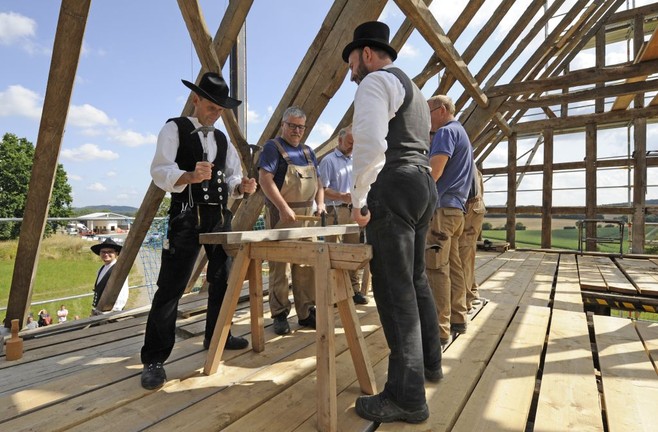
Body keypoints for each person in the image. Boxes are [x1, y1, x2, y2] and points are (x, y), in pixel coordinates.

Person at [343, 21, 443, 424]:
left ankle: (406, 397)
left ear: (366, 54)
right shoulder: (416, 93)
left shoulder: (374, 82)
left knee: (393, 290)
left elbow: (369, 142)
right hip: (421, 184)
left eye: (352, 61)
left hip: (394, 186)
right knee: (416, 281)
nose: (351, 71)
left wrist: (358, 197)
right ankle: (431, 364)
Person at [140, 72, 257, 390]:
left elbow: (231, 179)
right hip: (186, 216)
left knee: (223, 279)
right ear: (196, 100)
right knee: (171, 287)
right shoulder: (174, 129)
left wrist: (242, 186)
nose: (215, 113)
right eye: (211, 106)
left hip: (219, 218)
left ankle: (217, 336)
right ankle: (154, 358)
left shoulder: (222, 140)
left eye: (220, 109)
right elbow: (159, 170)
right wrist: (189, 176)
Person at [258, 106, 325, 335]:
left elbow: (319, 183)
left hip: (307, 218)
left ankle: (306, 312)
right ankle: (279, 314)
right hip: (282, 217)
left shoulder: (308, 151)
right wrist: (283, 207)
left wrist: (321, 204)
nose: (297, 131)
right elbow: (264, 179)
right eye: (292, 126)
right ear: (283, 125)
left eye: (300, 127)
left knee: (306, 265)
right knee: (280, 267)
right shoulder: (272, 148)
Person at [426, 95, 474, 345]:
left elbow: (434, 172)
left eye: (428, 112)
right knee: (454, 265)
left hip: (442, 211)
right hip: (457, 211)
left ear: (442, 110)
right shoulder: (462, 133)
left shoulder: (445, 132)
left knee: (436, 268)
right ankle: (458, 317)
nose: (427, 119)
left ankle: (439, 330)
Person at [318, 126, 368, 305]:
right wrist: (341, 196)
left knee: (352, 252)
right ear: (339, 141)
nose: (352, 147)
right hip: (334, 211)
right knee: (332, 253)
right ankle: (333, 292)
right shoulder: (328, 161)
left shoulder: (356, 160)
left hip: (352, 210)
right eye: (349, 143)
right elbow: (321, 189)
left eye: (355, 144)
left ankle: (353, 290)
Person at [459, 166, 486, 313]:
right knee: (468, 254)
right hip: (476, 207)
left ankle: (465, 301)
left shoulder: (446, 149)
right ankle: (473, 292)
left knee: (462, 255)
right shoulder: (470, 160)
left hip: (468, 206)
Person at [90, 238, 130, 314]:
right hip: (100, 309)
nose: (106, 254)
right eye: (103, 252)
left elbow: (123, 291)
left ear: (116, 253)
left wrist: (116, 309)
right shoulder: (101, 269)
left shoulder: (119, 269)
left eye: (110, 252)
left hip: (111, 311)